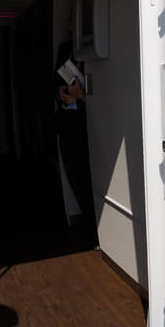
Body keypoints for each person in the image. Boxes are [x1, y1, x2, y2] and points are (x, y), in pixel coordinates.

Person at [55, 31, 99, 250]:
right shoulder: (65, 48)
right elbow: (56, 80)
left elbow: (104, 89)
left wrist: (81, 96)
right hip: (68, 124)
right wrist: (62, 94)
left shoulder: (97, 44)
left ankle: (100, 232)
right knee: (76, 179)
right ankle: (91, 231)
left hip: (90, 126)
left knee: (93, 179)